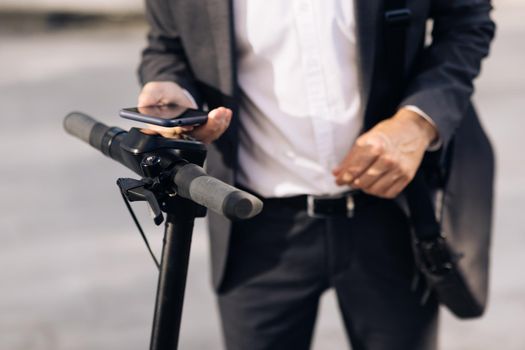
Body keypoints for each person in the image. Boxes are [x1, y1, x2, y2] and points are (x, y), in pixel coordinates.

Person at [137, 1, 495, 349]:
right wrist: (173, 93)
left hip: (391, 215)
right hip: (256, 228)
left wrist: (417, 123)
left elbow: (467, 22)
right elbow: (166, 47)